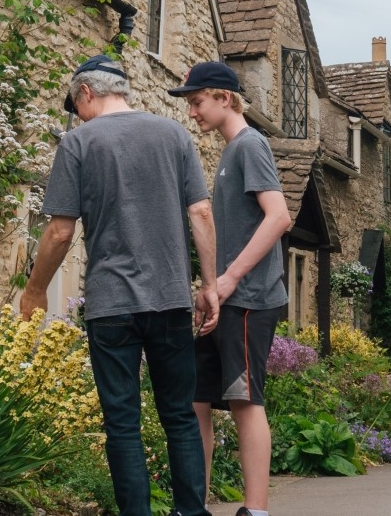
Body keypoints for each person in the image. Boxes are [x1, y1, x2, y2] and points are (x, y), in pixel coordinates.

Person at [21, 55, 219, 516]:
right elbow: (201, 213)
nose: (76, 115)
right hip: (170, 299)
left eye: (75, 105)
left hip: (112, 305)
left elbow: (60, 231)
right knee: (179, 416)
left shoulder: (79, 142)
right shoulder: (175, 135)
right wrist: (208, 286)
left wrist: (34, 291)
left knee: (123, 424)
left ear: (86, 93)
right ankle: (192, 512)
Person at [170, 62, 292, 516]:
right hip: (222, 301)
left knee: (243, 401)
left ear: (225, 97)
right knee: (197, 400)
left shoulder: (249, 145)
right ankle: (192, 505)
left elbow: (279, 217)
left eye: (197, 102)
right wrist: (210, 288)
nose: (193, 113)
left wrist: (230, 277)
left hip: (248, 300)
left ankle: (255, 511)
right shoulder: (228, 154)